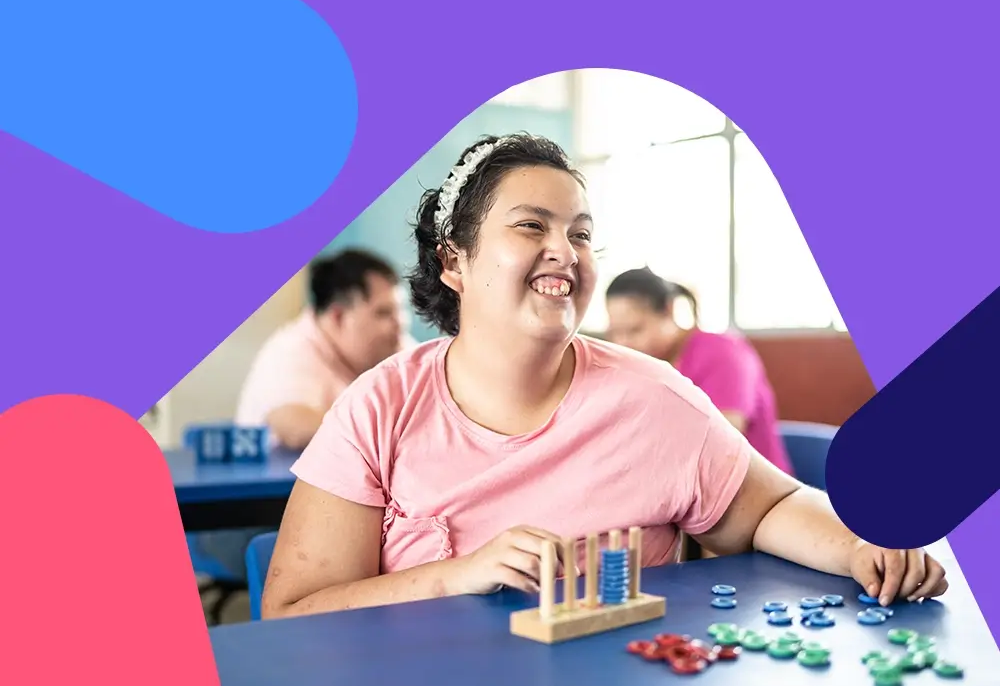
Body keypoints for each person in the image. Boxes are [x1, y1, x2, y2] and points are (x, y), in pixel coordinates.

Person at [260, 133, 947, 620]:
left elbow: (767, 506)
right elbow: (291, 610)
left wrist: (864, 543)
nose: (565, 250)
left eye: (581, 233)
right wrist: (456, 576)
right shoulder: (376, 408)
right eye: (532, 224)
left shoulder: (654, 398)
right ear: (453, 260)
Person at [604, 269, 794, 476]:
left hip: (752, 490)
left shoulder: (723, 353)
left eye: (634, 330)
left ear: (668, 311)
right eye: (615, 332)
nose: (622, 342)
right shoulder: (644, 365)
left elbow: (723, 441)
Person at [235, 248, 408, 451]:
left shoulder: (395, 345)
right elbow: (291, 424)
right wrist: (388, 432)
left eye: (400, 310)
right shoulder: (290, 350)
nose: (400, 324)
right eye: (383, 313)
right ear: (337, 316)